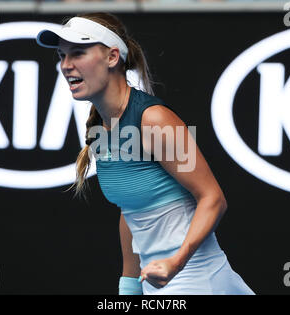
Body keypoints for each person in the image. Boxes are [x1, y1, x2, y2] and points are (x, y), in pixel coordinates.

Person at [36, 12, 254, 295]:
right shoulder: (98, 128)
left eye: (77, 53)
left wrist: (175, 263)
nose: (66, 65)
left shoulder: (155, 120)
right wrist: (128, 285)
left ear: (112, 57)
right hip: (156, 283)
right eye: (61, 56)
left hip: (198, 280)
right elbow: (130, 210)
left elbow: (213, 199)